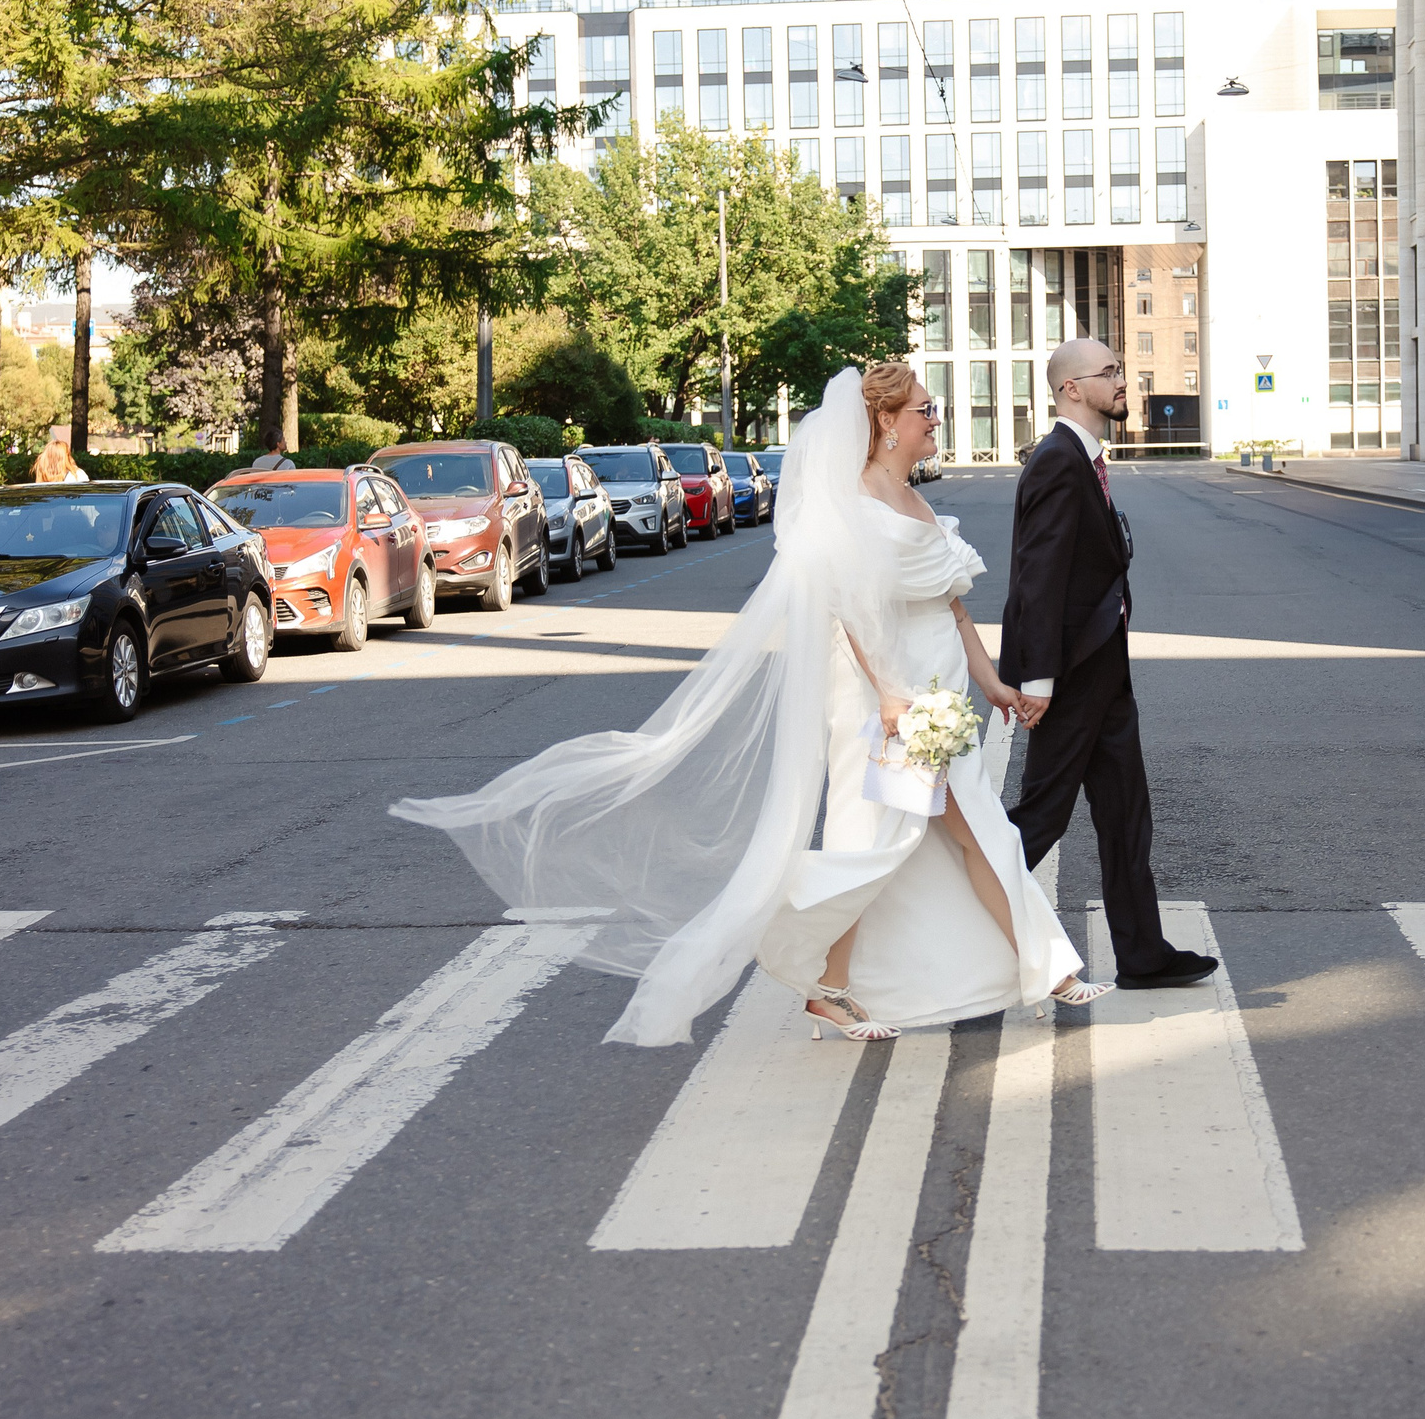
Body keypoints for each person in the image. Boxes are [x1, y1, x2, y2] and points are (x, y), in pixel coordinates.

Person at [392, 364, 1108, 1046]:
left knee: (975, 832)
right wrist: (890, 693)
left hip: (940, 688)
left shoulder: (914, 497)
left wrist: (989, 682)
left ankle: (1043, 970)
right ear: (887, 422)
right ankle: (837, 974)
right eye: (925, 408)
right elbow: (849, 612)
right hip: (880, 695)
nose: (935, 418)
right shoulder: (849, 503)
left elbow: (951, 606)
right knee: (876, 844)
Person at [997, 338, 1218, 990]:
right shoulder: (1057, 461)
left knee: (1126, 811)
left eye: (1121, 369)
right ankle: (947, 921)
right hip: (1067, 675)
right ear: (1071, 389)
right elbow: (1037, 578)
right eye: (1111, 373)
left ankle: (1142, 953)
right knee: (1040, 816)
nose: (1124, 381)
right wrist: (1036, 680)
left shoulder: (1084, 459)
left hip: (1102, 668)